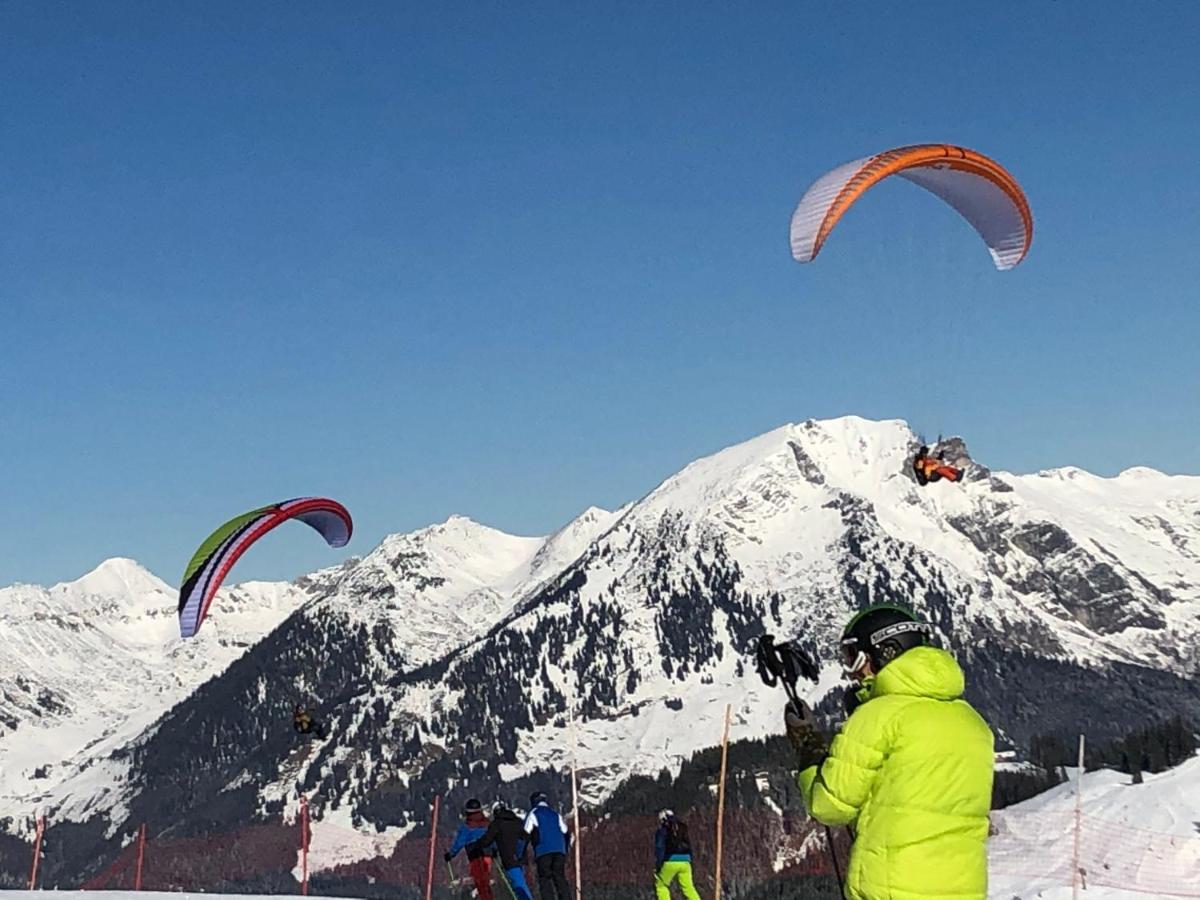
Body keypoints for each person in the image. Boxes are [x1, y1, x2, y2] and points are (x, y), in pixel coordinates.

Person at [785, 604, 994, 900]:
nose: (853, 672)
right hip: (965, 888)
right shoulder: (972, 723)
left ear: (887, 653)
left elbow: (828, 807)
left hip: (890, 887)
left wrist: (809, 751)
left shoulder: (879, 715)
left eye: (854, 657)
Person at [470, 801, 532, 900]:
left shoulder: (497, 823)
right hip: (522, 859)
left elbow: (486, 840)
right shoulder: (518, 821)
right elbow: (526, 836)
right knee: (522, 885)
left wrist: (475, 846)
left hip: (509, 860)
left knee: (519, 888)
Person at [523, 791, 573, 900]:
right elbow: (565, 831)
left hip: (543, 850)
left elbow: (525, 832)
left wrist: (521, 853)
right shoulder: (556, 814)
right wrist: (566, 849)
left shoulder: (534, 813)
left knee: (545, 879)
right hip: (560, 850)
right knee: (559, 877)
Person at [445, 798, 494, 900]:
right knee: (486, 881)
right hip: (488, 855)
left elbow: (459, 842)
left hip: (475, 856)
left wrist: (451, 854)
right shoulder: (488, 824)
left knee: (480, 882)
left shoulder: (467, 826)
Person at [654, 810, 701, 900]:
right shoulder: (682, 827)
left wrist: (659, 865)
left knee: (661, 885)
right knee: (688, 888)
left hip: (670, 860)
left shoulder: (663, 830)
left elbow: (660, 847)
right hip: (686, 861)